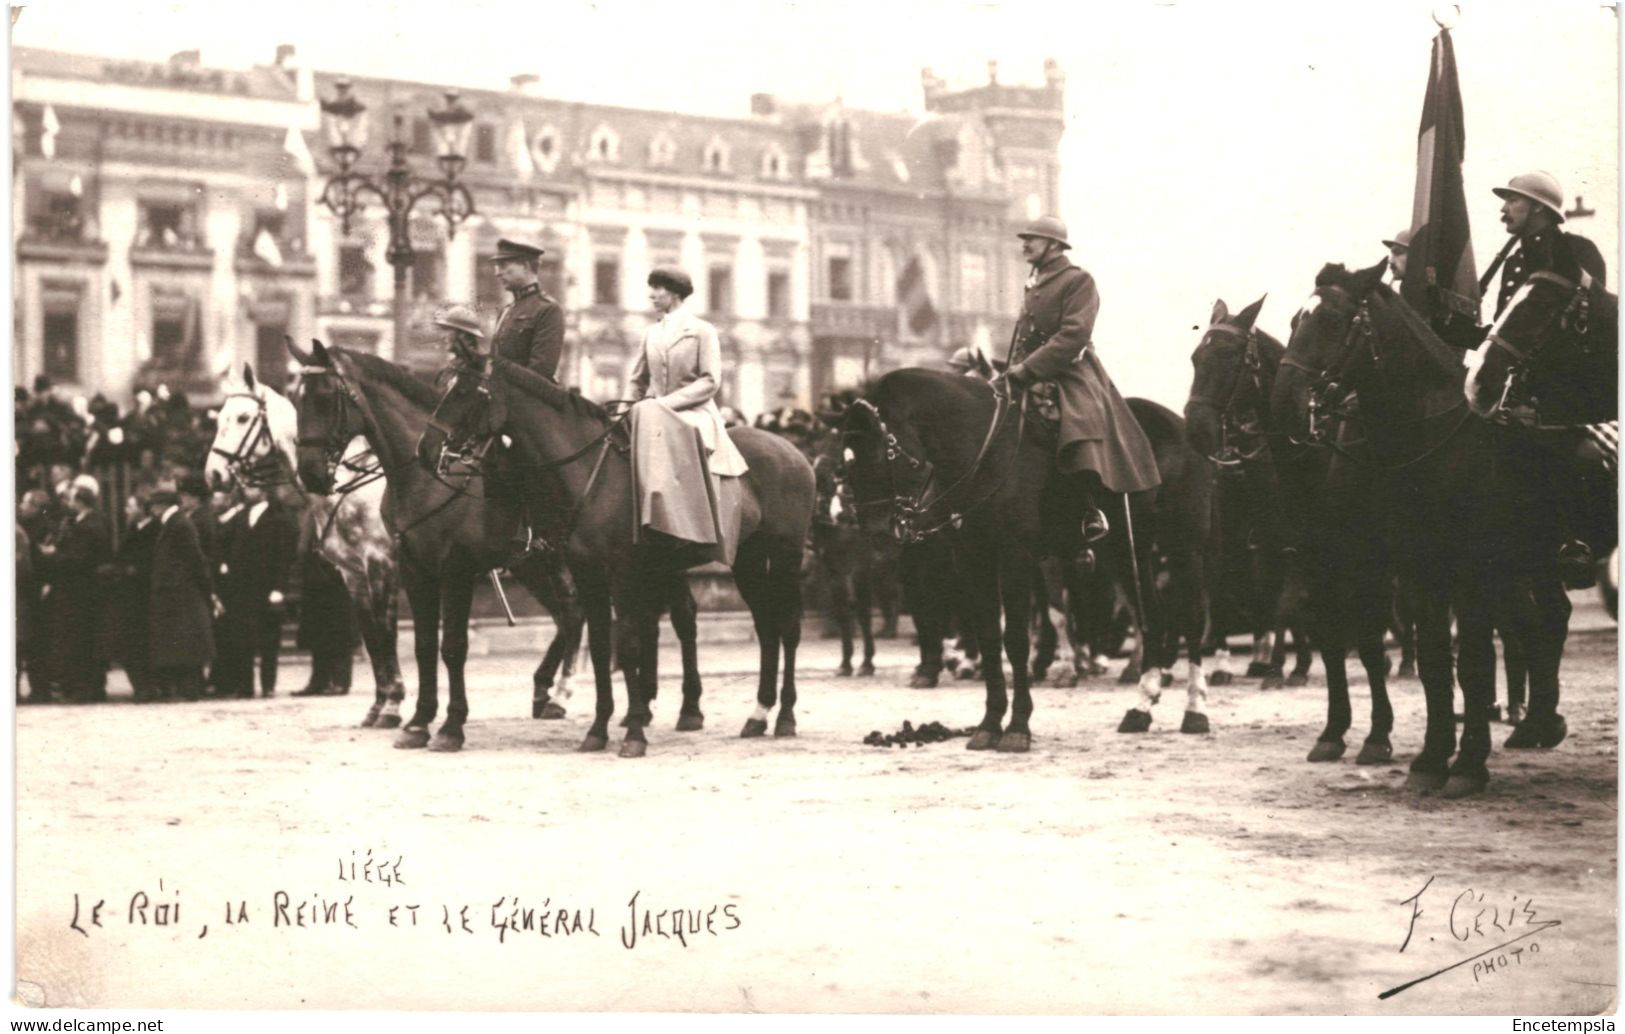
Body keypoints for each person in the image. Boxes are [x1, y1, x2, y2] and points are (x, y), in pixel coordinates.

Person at [997, 215, 1160, 543]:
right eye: (1025, 238)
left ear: (1054, 245)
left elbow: (1074, 334)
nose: (1025, 244)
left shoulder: (1077, 280)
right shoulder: (1036, 281)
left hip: (1072, 371)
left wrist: (1028, 369)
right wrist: (1010, 373)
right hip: (1031, 371)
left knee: (1079, 419)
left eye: (1034, 238)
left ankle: (1091, 507)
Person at [628, 266, 750, 566]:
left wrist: (665, 404)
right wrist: (625, 408)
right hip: (653, 414)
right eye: (651, 288)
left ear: (675, 294)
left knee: (681, 444)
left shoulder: (702, 331)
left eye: (658, 289)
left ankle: (686, 528)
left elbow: (710, 381)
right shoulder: (651, 333)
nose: (652, 295)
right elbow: (637, 379)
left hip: (693, 412)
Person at [216, 483, 297, 698]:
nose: (246, 490)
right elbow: (224, 538)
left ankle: (268, 686)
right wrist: (226, 563)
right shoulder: (241, 515)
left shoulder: (278, 517)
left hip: (267, 585)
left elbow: (283, 556)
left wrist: (279, 587)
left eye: (252, 487)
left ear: (263, 490)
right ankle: (245, 686)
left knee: (269, 639)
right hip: (242, 587)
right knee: (242, 639)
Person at [38, 484, 112, 702]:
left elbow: (78, 559)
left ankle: (85, 688)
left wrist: (53, 554)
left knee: (80, 639)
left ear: (79, 502)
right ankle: (92, 686)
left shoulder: (87, 526)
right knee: (86, 638)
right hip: (87, 590)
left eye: (71, 500)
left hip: (80, 591)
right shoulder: (92, 522)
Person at [147, 484, 216, 702]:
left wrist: (208, 589)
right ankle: (188, 688)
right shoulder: (174, 522)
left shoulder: (179, 524)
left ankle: (191, 689)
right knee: (183, 642)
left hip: (181, 592)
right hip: (176, 591)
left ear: (160, 506)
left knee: (185, 643)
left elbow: (195, 558)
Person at [488, 238, 564, 379]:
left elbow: (540, 372)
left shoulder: (548, 310)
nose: (497, 272)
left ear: (524, 266)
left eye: (503, 265)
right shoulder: (506, 311)